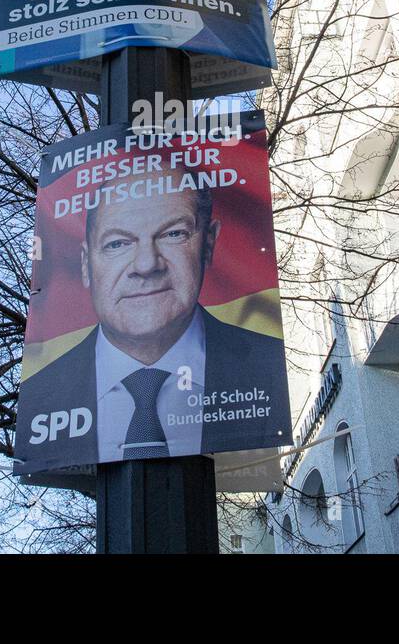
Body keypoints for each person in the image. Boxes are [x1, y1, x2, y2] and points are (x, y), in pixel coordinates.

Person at [15, 169, 290, 471]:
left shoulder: (268, 368)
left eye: (174, 234)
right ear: (85, 263)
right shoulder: (43, 395)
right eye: (118, 243)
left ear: (208, 244)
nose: (146, 265)